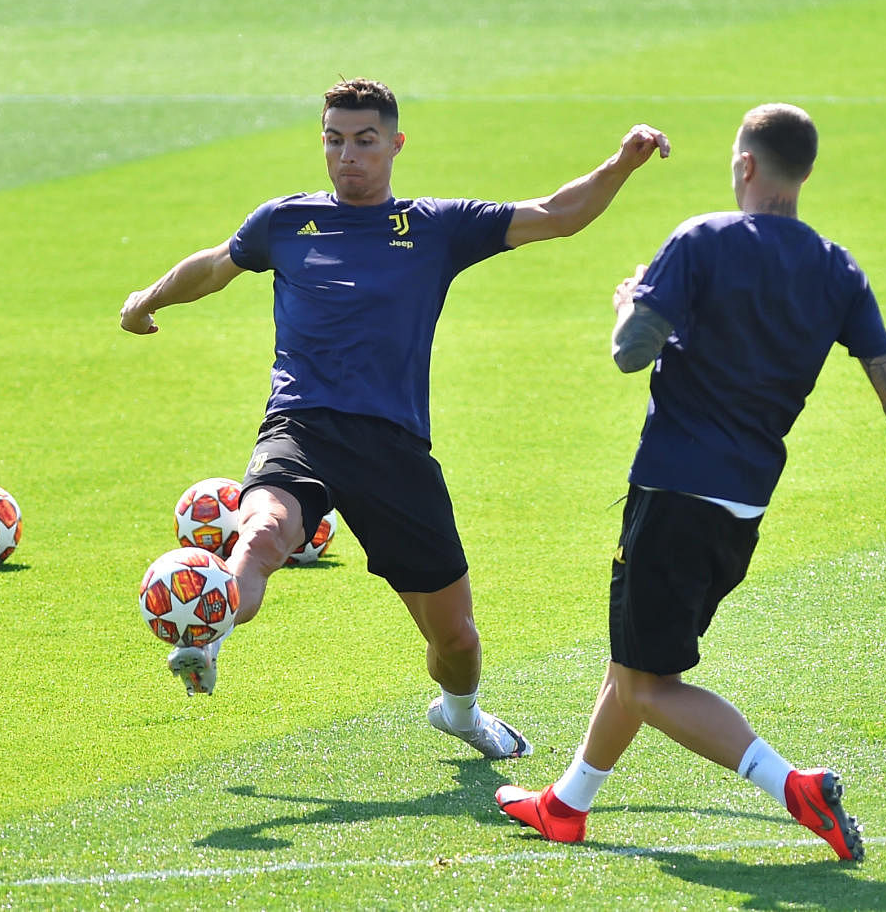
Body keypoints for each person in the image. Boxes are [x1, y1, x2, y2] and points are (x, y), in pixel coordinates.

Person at [119, 78, 670, 761]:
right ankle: (208, 631)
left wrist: (620, 164)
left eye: (364, 141)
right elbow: (213, 267)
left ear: (395, 145)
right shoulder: (285, 222)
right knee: (261, 532)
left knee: (456, 643)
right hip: (301, 426)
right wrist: (149, 298)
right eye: (334, 140)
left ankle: (461, 714)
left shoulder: (437, 227)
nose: (346, 155)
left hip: (393, 449)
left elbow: (556, 214)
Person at [496, 103, 886, 859]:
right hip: (743, 507)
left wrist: (633, 303)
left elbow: (629, 353)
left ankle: (792, 783)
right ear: (802, 173)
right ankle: (567, 804)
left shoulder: (702, 239)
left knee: (649, 685)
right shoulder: (838, 269)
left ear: (745, 165)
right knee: (634, 659)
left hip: (672, 492)